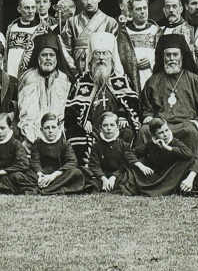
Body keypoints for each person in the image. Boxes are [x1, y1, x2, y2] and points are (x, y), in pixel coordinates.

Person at [65, 31, 141, 162]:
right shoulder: (82, 80)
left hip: (115, 126)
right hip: (91, 127)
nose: (101, 58)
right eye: (97, 54)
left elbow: (130, 104)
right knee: (77, 134)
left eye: (105, 53)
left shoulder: (121, 80)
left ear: (111, 58)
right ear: (91, 58)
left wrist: (123, 116)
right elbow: (73, 108)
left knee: (128, 132)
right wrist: (85, 120)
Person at [140, 34, 198, 157]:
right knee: (144, 130)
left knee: (191, 131)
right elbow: (146, 104)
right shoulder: (153, 80)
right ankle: (145, 169)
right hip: (160, 126)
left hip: (185, 125)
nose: (172, 58)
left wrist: (197, 122)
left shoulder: (195, 80)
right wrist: (148, 116)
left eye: (175, 54)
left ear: (182, 56)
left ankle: (190, 171)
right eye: (168, 55)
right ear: (163, 57)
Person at [17, 31, 72, 143]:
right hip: (32, 133)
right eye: (44, 55)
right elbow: (26, 113)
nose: (48, 59)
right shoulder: (28, 77)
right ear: (38, 57)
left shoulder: (64, 79)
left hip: (59, 132)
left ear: (57, 58)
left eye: (51, 55)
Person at [125, 116, 197, 195]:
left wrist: (167, 147)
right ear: (154, 135)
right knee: (132, 165)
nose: (166, 135)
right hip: (157, 176)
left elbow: (189, 154)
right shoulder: (151, 144)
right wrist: (142, 167)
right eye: (161, 133)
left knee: (187, 161)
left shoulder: (175, 142)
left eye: (166, 130)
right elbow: (129, 153)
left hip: (172, 176)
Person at [62, 0, 117, 69]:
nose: (89, 2)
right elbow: (65, 49)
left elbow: (114, 51)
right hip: (77, 68)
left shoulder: (110, 22)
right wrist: (72, 69)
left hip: (102, 67)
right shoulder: (71, 22)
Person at [30, 113, 88, 195]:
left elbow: (72, 162)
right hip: (43, 174)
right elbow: (35, 161)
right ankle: (53, 187)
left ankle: (45, 189)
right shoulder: (37, 143)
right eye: (46, 128)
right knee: (24, 175)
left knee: (76, 173)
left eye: (53, 127)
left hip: (59, 175)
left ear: (59, 128)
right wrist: (40, 175)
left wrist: (53, 176)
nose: (50, 131)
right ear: (41, 130)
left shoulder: (64, 143)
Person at [116, 0, 160, 93]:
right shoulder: (124, 33)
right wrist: (133, 64)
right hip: (132, 79)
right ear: (131, 12)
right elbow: (120, 57)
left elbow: (161, 53)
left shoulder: (156, 31)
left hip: (152, 75)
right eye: (139, 9)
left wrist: (151, 62)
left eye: (145, 8)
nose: (143, 11)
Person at [86, 111, 133, 193]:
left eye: (112, 125)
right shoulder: (96, 146)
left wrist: (113, 177)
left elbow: (124, 166)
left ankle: (113, 186)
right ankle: (105, 185)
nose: (108, 128)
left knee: (128, 177)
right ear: (100, 128)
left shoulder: (124, 145)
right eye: (105, 125)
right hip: (101, 177)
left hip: (118, 176)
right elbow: (94, 165)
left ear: (117, 127)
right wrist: (103, 178)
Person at [5, 0, 45, 77]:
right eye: (27, 8)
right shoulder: (11, 28)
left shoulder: (42, 29)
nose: (31, 11)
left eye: (33, 8)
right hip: (11, 73)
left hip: (31, 75)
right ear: (19, 9)